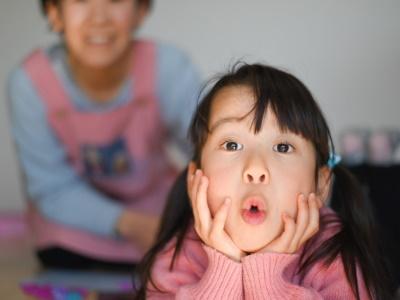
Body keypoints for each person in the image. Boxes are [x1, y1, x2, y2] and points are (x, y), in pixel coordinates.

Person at [135, 63, 392, 299]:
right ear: (195, 181)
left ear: (321, 185)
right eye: (232, 144)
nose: (256, 169)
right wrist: (225, 264)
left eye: (282, 147)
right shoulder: (178, 254)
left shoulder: (336, 257)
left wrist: (268, 277)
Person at [7, 0, 201, 271]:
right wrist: (134, 226)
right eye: (81, 1)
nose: (99, 17)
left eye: (116, 0)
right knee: (59, 250)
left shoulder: (168, 67)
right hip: (79, 217)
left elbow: (208, 149)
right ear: (54, 12)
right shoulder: (29, 85)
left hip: (157, 204)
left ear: (141, 10)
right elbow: (51, 189)